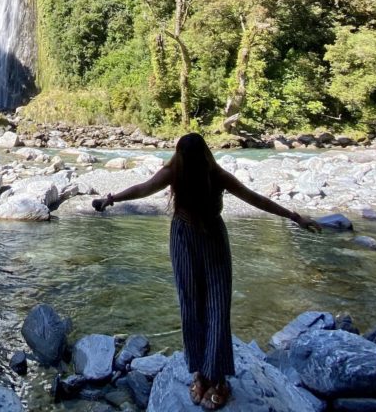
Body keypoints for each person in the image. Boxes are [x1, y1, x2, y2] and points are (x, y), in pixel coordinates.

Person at [92, 133, 321, 410]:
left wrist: (295, 217)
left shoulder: (204, 174)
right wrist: (110, 199)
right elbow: (145, 188)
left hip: (203, 236)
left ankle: (217, 377)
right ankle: (204, 372)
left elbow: (254, 198)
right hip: (193, 237)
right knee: (204, 305)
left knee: (206, 305)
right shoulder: (184, 172)